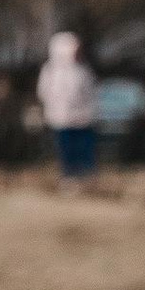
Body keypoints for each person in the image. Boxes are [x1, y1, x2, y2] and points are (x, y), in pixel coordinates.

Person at [37, 26, 100, 181]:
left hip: (83, 117)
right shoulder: (51, 70)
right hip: (62, 118)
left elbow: (91, 90)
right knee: (67, 148)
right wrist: (56, 107)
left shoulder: (82, 69)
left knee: (84, 147)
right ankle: (69, 174)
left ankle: (86, 173)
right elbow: (44, 91)